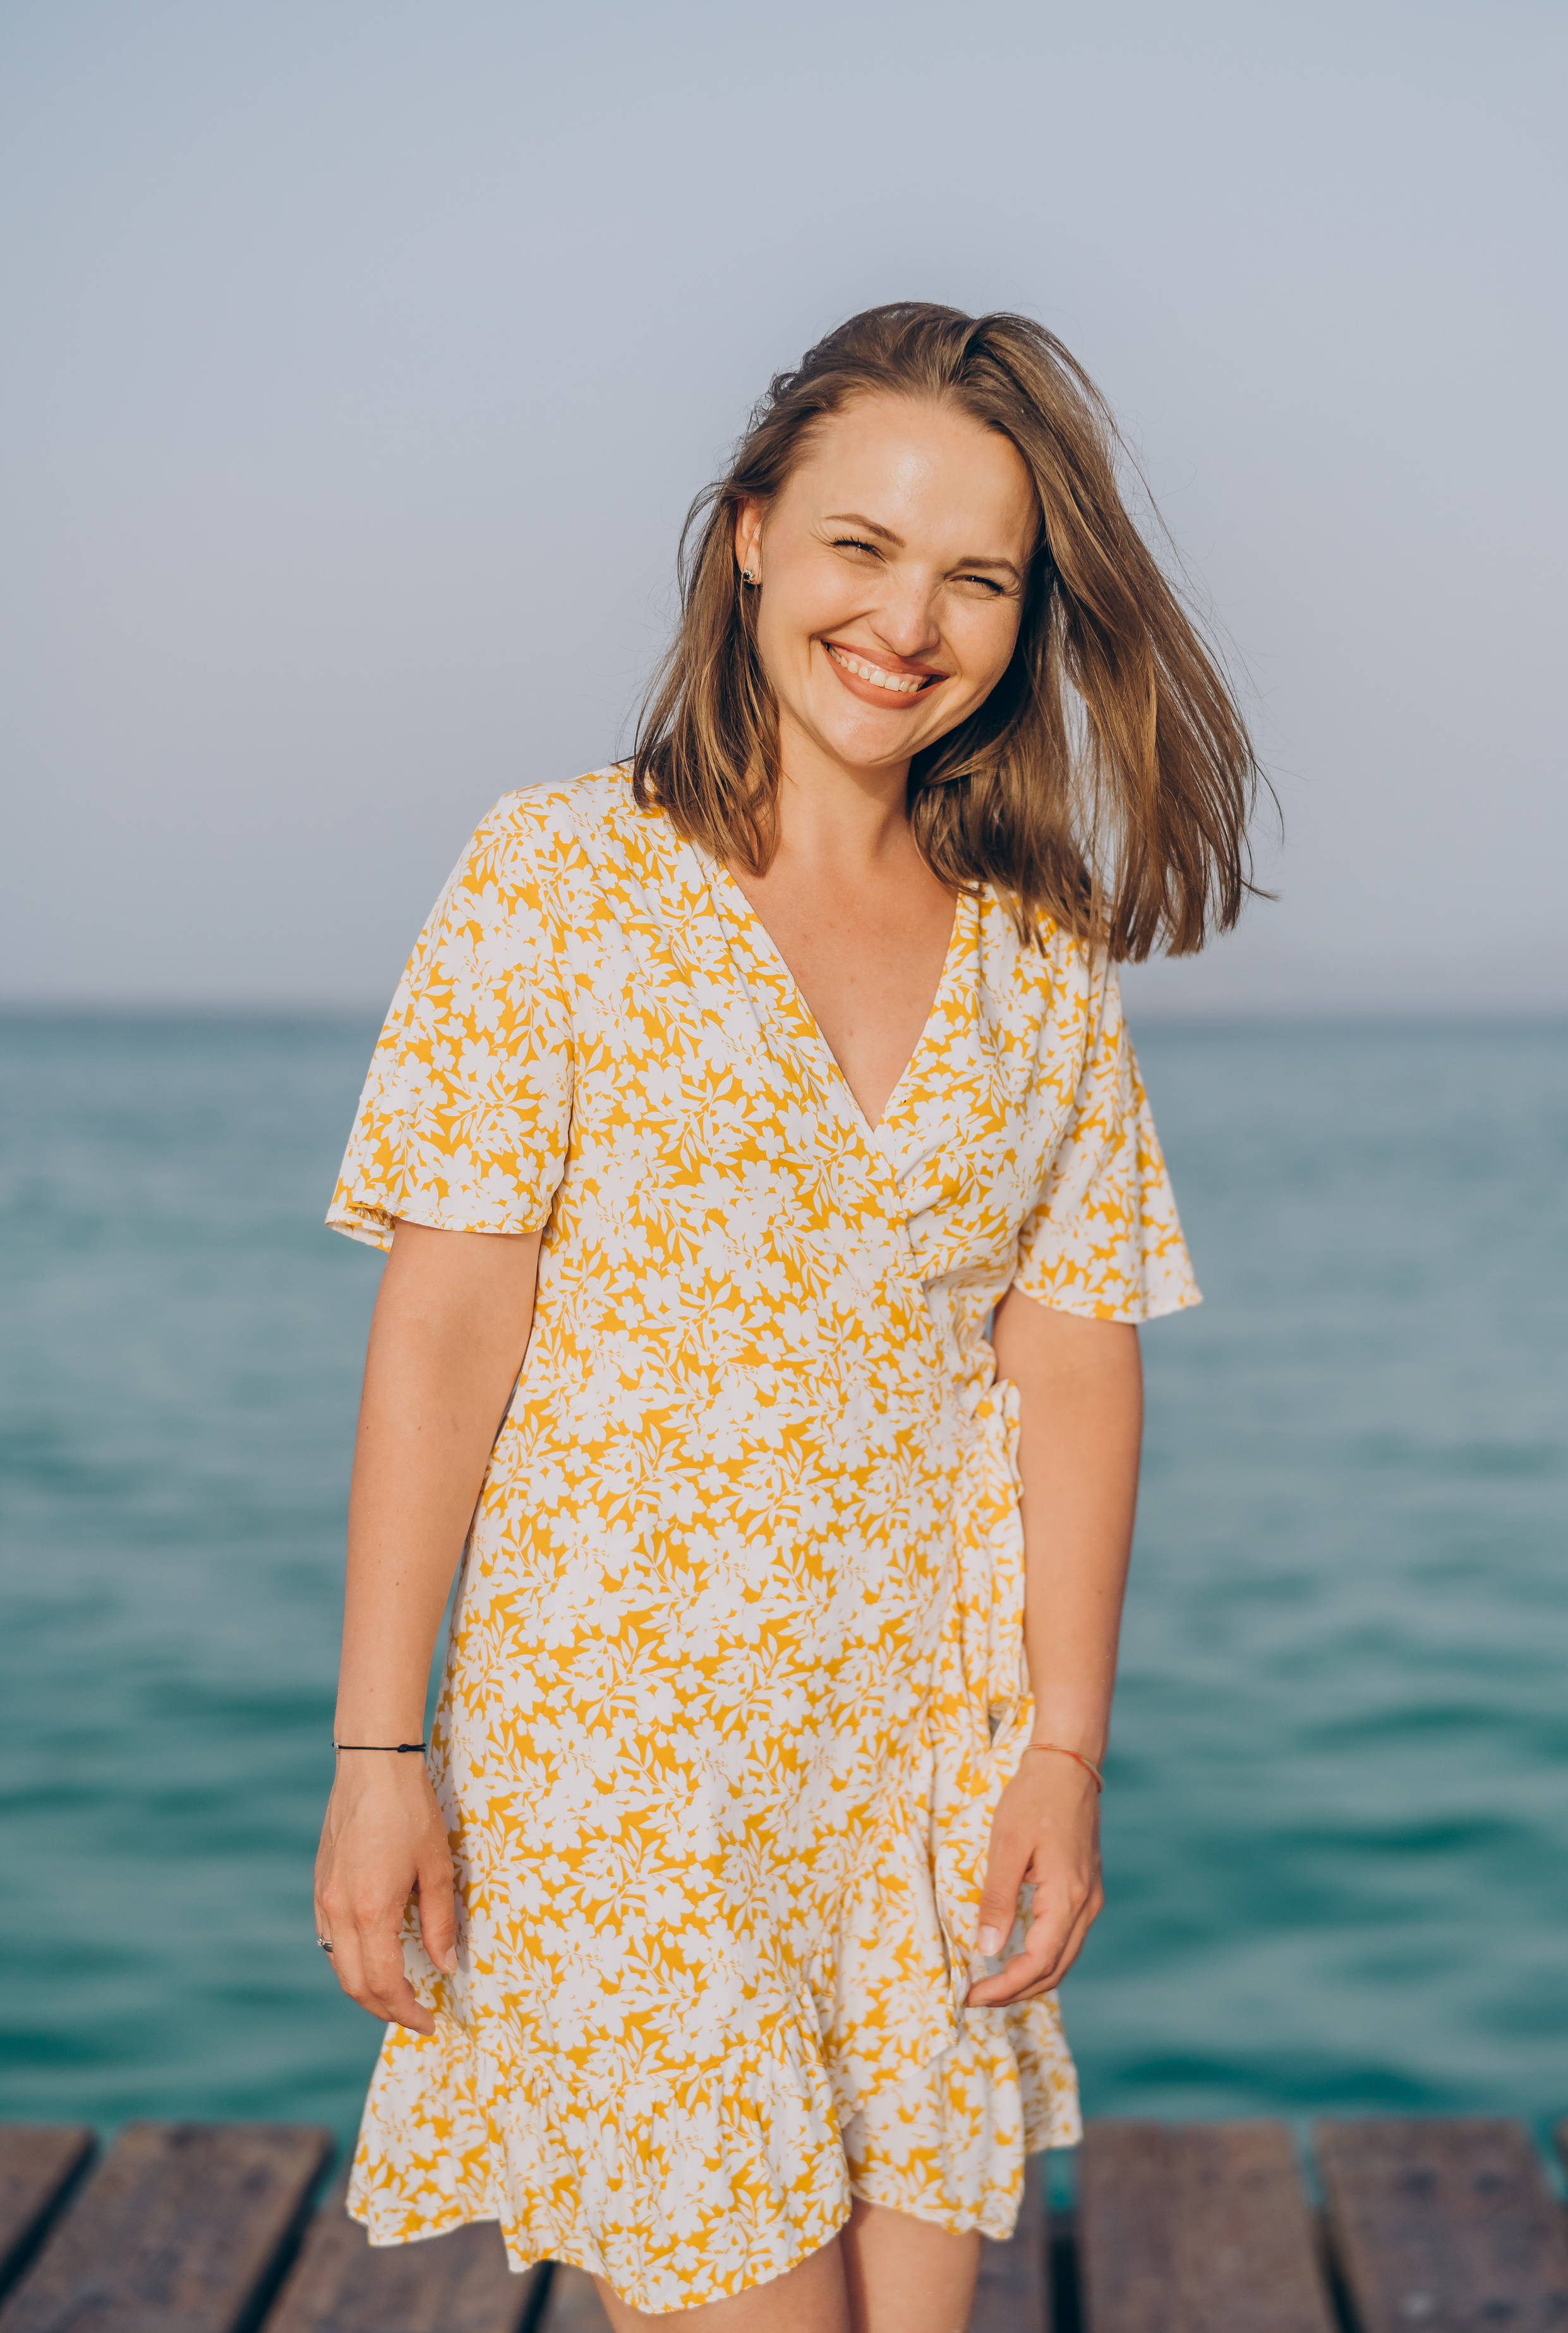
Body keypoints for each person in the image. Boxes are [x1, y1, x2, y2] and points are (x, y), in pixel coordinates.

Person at [313, 301, 1258, 2332]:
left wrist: (1064, 1758)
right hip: (624, 1756)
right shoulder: (558, 879)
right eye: (859, 545)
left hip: (926, 1762)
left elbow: (1076, 1358)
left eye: (975, 578)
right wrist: (381, 1745)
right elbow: (448, 1327)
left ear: (1026, 615)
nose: (907, 619)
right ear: (749, 534)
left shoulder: (1042, 951)